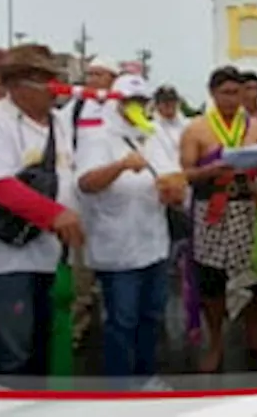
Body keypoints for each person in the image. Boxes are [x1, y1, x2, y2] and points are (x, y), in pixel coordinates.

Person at [0, 44, 86, 377]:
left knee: (46, 347)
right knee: (14, 354)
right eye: (45, 79)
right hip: (11, 260)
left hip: (51, 254)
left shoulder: (58, 123)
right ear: (19, 82)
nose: (53, 87)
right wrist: (56, 215)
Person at [76, 74, 178, 379]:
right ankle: (119, 388)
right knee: (122, 320)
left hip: (155, 243)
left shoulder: (155, 133)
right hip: (118, 248)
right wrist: (119, 167)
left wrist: (174, 189)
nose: (135, 107)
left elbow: (174, 176)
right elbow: (85, 183)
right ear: (116, 103)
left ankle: (146, 379)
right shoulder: (98, 136)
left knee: (152, 316)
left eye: (140, 101)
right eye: (128, 101)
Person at [179, 66, 257, 372]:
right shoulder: (196, 129)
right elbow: (185, 174)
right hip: (212, 209)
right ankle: (215, 340)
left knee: (253, 278)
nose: (232, 99)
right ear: (213, 93)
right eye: (226, 93)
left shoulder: (255, 126)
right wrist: (209, 171)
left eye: (237, 93)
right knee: (212, 280)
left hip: (245, 207)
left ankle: (254, 336)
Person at [66, 55, 119, 347]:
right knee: (80, 274)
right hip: (82, 203)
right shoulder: (73, 110)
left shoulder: (124, 109)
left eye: (100, 74)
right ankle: (77, 328)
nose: (93, 80)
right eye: (90, 74)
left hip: (118, 206)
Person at [152, 85, 187, 151]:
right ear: (157, 104)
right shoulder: (151, 128)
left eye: (172, 100)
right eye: (164, 101)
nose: (169, 104)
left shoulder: (188, 125)